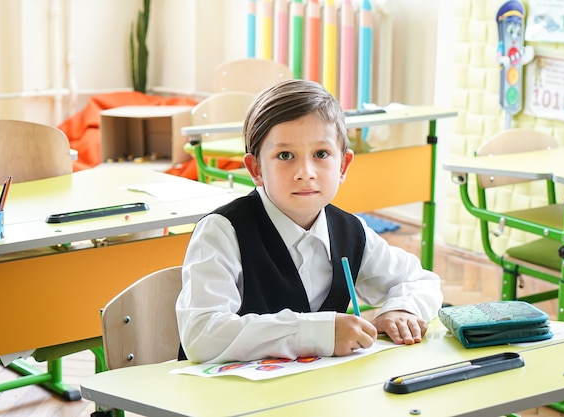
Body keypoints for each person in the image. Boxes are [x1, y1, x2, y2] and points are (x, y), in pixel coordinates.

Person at [176, 79, 443, 363]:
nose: (305, 172)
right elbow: (201, 335)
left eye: (321, 154)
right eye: (285, 155)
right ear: (256, 169)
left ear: (343, 165)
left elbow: (420, 280)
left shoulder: (351, 231)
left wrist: (402, 309)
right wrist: (318, 334)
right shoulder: (222, 232)